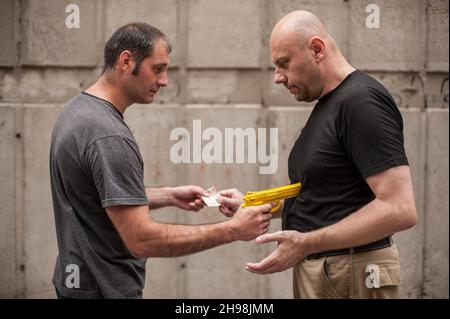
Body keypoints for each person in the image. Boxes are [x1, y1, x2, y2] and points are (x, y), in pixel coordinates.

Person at [49, 23, 272, 299]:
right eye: (157, 68)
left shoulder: (77, 111)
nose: (165, 80)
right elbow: (141, 239)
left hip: (77, 285)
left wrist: (167, 195)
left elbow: (96, 196)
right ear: (126, 61)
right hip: (104, 290)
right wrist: (233, 230)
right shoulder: (107, 136)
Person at [217, 11, 417, 299]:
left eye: (283, 63)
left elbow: (399, 208)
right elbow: (325, 198)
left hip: (352, 272)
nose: (277, 77)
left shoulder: (361, 103)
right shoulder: (332, 103)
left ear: (317, 49)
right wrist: (253, 204)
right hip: (334, 271)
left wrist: (306, 243)